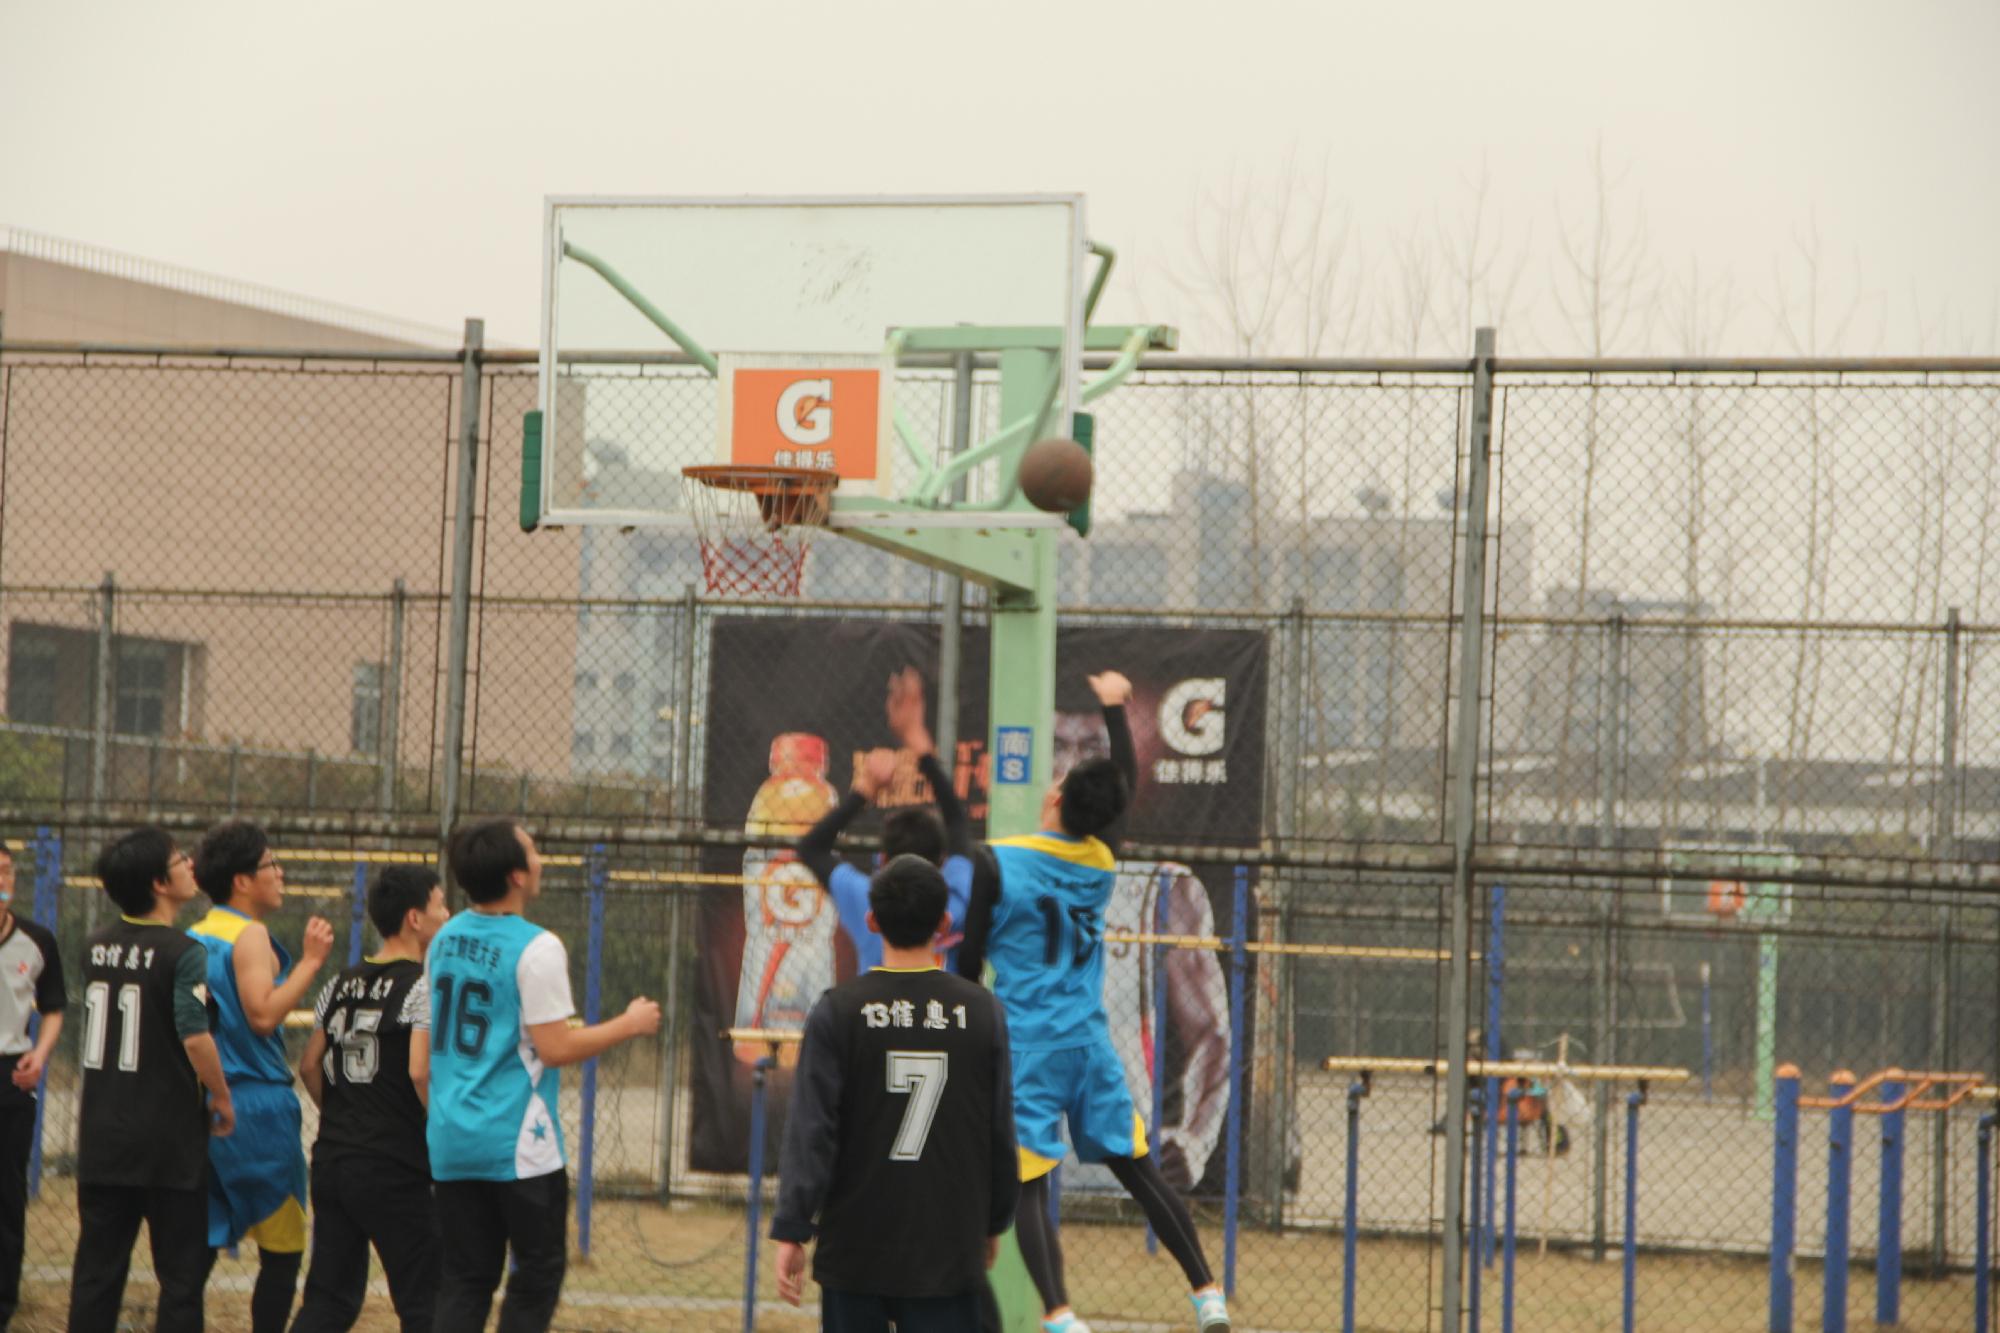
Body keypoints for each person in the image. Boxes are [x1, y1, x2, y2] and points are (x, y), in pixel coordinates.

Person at [956, 671, 1231, 1333]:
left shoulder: (996, 861)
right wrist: (1114, 707)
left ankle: (1059, 1313)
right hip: (1088, 1043)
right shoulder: (1101, 861)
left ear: (1054, 797)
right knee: (1140, 1173)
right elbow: (1123, 786)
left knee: (1028, 1184)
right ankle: (1207, 1293)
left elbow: (967, 963)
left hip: (1026, 1044)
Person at [423, 819, 661, 1332]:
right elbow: (554, 1048)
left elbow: (423, 1061)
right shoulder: (537, 947)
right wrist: (628, 1024)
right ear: (516, 875)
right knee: (538, 1274)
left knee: (465, 1279)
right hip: (517, 1145)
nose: (540, 861)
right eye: (532, 852)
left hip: (451, 1139)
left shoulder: (443, 939)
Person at [771, 855, 1018, 1333]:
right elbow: (999, 1131)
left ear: (871, 921)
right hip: (947, 1244)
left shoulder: (838, 1011)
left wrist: (793, 1227)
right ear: (943, 924)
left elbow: (811, 1131)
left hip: (855, 1244)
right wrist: (994, 1220)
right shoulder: (982, 1012)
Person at [68, 827, 234, 1333]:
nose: (190, 866)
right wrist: (221, 1095)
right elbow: (195, 1035)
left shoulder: (94, 946)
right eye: (180, 860)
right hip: (167, 1141)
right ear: (160, 883)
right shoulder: (184, 951)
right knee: (180, 1279)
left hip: (103, 1137)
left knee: (96, 1275)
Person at [190, 820, 336, 1333]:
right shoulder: (248, 934)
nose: (280, 873)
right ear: (242, 880)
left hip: (204, 1102)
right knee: (283, 1249)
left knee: (199, 1248)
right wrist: (311, 962)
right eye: (271, 865)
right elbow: (263, 1015)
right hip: (255, 1106)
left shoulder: (194, 934)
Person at [290, 864, 451, 1332]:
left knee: (329, 1301)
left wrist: (347, 1118)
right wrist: (444, 1132)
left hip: (335, 1159)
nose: (448, 914)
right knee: (427, 1303)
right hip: (394, 1165)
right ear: (415, 918)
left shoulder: (340, 983)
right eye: (441, 905)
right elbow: (420, 1071)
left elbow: (308, 1065)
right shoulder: (422, 984)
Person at [794, 668, 976, 975]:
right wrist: (921, 746)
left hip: (877, 1007)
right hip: (942, 1007)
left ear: (882, 859)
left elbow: (811, 848)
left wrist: (864, 790)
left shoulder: (866, 898)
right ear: (943, 861)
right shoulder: (955, 900)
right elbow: (957, 822)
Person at [0, 842, 63, 1328]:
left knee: (7, 1194)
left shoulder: (37, 940)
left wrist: (39, 1055)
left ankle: (4, 1303)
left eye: (6, 871)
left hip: (11, 1073)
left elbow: (55, 1007)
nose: (2, 880)